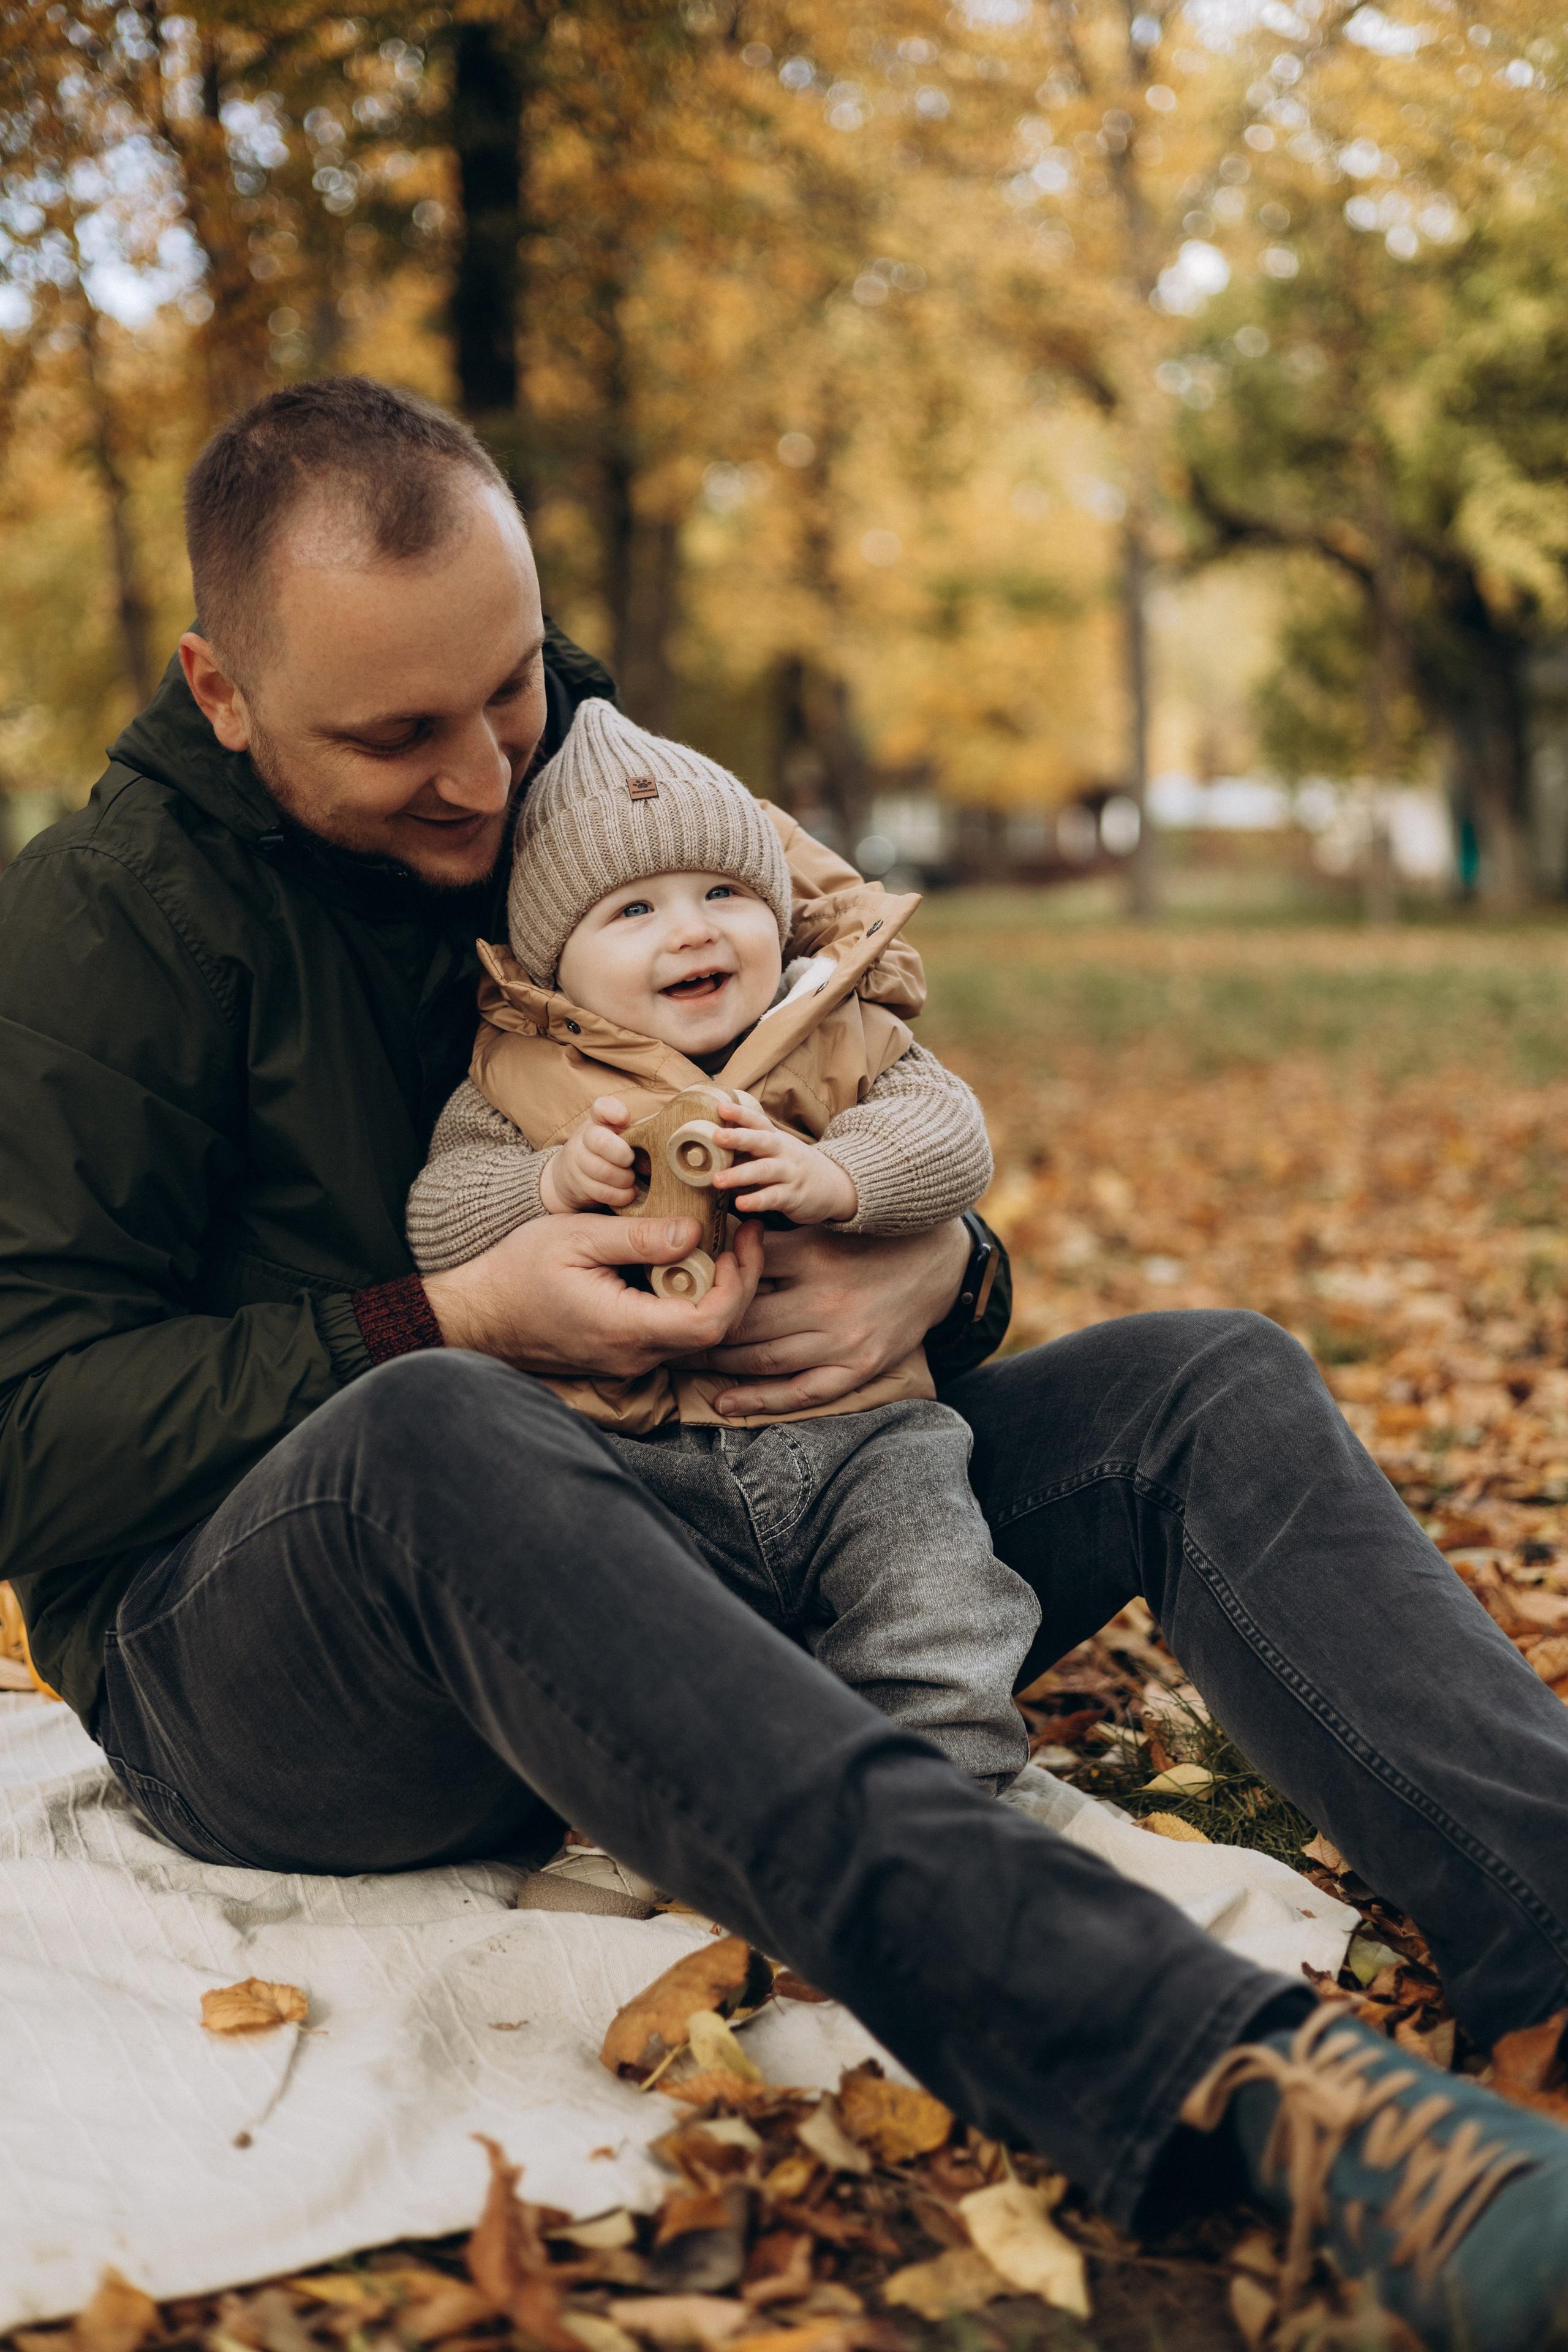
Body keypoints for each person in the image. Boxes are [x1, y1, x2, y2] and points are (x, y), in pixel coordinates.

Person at [3, 375, 1568, 2348]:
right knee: (440, 1431)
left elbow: (853, 1074)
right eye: (395, 736)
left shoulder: (584, 772)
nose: (483, 779)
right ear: (221, 692)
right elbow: (32, 1440)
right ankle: (1255, 2099)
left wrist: (935, 1274)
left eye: (503, 689)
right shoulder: (99, 935)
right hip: (276, 1665)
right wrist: (451, 1314)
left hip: (730, 1503)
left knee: (1208, 1378)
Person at [406, 695, 1039, 1795]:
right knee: (610, 1642)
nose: (693, 928)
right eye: (634, 910)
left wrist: (840, 1176)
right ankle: (629, 1824)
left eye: (725, 893)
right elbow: (441, 1211)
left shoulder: (836, 1024)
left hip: (860, 1433)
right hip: (631, 1455)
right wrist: (550, 1181)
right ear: (556, 964)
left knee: (936, 1597)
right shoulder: (522, 1072)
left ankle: (950, 1803)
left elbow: (950, 1135)